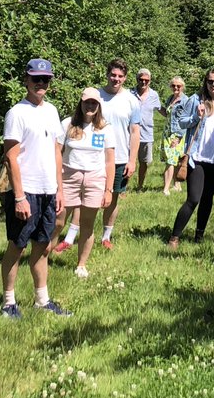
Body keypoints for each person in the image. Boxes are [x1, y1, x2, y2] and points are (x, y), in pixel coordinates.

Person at [0, 58, 71, 318]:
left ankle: (42, 300)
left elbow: (56, 152)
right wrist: (19, 197)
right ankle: (8, 303)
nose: (41, 83)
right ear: (26, 80)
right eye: (36, 78)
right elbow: (11, 157)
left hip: (48, 190)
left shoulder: (51, 111)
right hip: (25, 191)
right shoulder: (17, 113)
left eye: (46, 79)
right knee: (17, 247)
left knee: (42, 246)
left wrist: (59, 189)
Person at [53, 58, 141, 254]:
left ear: (125, 78)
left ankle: (106, 236)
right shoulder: (96, 96)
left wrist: (132, 159)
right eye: (113, 75)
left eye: (120, 76)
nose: (115, 79)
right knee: (80, 198)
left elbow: (135, 131)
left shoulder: (132, 100)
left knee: (112, 197)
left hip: (117, 159)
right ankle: (70, 237)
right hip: (89, 158)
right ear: (107, 74)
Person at [55, 87, 115, 279]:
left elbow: (110, 160)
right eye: (86, 102)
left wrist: (109, 190)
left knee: (87, 223)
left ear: (98, 106)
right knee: (58, 221)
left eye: (94, 103)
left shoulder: (105, 128)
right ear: (80, 103)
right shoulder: (67, 124)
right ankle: (43, 256)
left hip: (95, 178)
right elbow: (56, 152)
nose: (90, 106)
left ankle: (81, 265)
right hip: (69, 176)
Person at [167, 69, 214, 250]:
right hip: (197, 158)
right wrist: (196, 116)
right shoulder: (196, 100)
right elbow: (182, 122)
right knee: (193, 198)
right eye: (210, 82)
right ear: (205, 82)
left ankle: (199, 235)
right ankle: (174, 237)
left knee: (208, 198)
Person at [160, 77, 195, 196]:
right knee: (174, 160)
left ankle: (166, 188)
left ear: (182, 87)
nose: (176, 88)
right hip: (167, 132)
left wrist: (178, 137)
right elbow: (167, 114)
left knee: (170, 161)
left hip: (177, 134)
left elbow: (186, 119)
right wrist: (156, 106)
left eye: (178, 86)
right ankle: (177, 185)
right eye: (173, 85)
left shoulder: (186, 100)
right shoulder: (170, 98)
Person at [133, 69, 162, 192]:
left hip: (146, 134)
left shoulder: (154, 95)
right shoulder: (129, 93)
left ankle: (140, 186)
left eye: (146, 80)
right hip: (130, 134)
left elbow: (162, 110)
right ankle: (122, 188)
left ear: (150, 81)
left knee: (144, 162)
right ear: (137, 79)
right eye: (141, 79)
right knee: (126, 160)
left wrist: (175, 113)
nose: (143, 82)